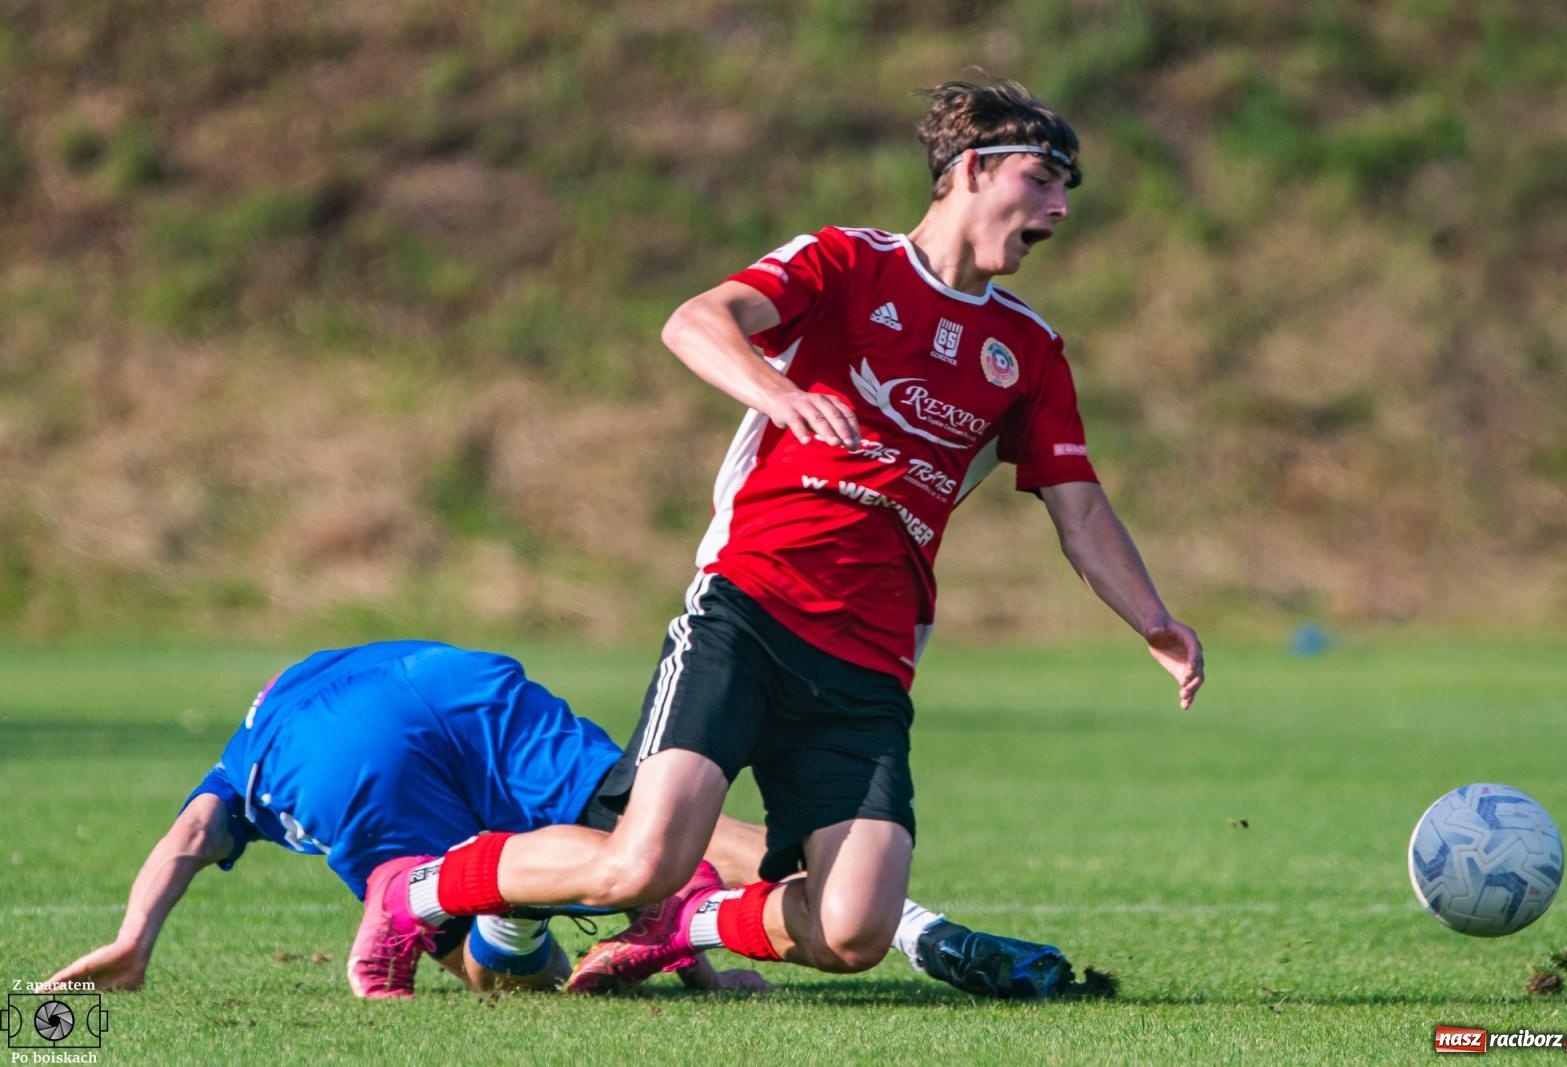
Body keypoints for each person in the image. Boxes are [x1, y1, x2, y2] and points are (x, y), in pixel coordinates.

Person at [350, 75, 1198, 995]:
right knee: (640, 861)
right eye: (1043, 179)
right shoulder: (847, 263)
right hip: (750, 609)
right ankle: (420, 890)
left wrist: (1152, 617)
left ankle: (693, 923)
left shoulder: (1027, 351)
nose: (1061, 208)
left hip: (872, 655)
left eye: (1068, 189)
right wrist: (782, 393)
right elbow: (695, 321)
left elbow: (1079, 504)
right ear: (971, 170)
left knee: (855, 928)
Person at [43, 640, 1089, 1000]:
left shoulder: (252, 749)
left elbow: (186, 838)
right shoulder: (336, 664)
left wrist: (136, 939)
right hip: (456, 679)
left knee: (497, 960)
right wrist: (709, 969)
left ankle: (423, 897)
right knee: (649, 827)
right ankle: (901, 923)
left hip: (347, 766)